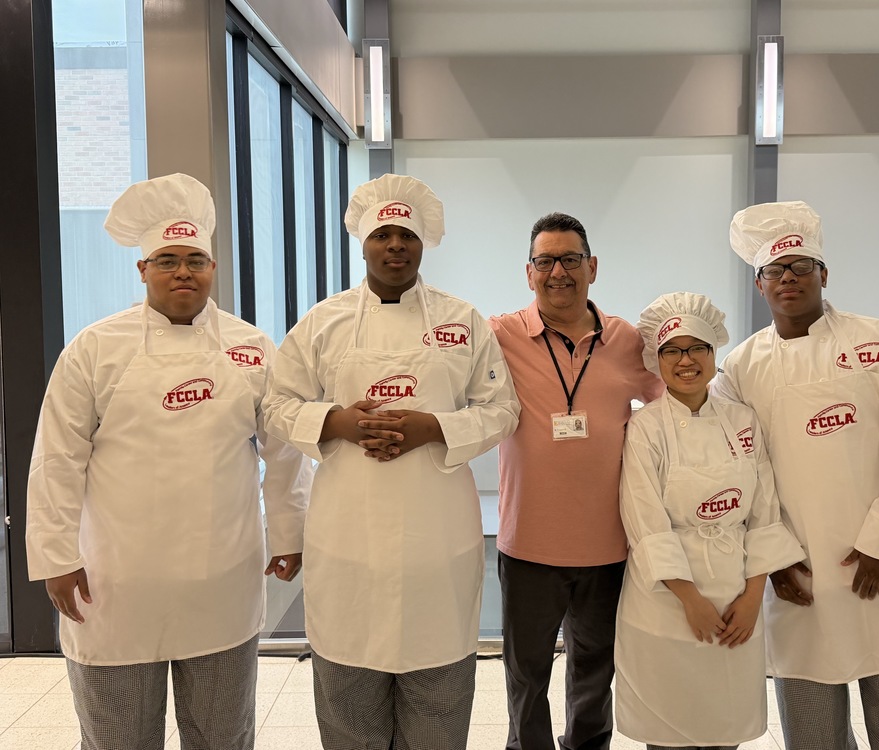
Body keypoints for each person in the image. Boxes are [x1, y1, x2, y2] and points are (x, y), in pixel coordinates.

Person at [25, 173, 313, 750]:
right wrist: (55, 555)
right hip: (116, 580)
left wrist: (289, 533)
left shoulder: (251, 347)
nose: (183, 271)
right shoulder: (95, 349)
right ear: (142, 270)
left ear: (213, 267)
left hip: (222, 575)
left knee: (222, 735)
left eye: (196, 260)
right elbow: (56, 459)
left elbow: (282, 453)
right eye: (167, 260)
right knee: (117, 737)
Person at [262, 174, 520, 750]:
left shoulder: (463, 322)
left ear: (424, 242)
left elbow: (502, 410)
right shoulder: (323, 322)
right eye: (383, 234)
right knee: (350, 706)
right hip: (347, 540)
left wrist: (434, 429)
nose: (395, 245)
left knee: (439, 701)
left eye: (406, 233)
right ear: (363, 242)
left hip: (438, 545)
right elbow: (276, 407)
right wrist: (340, 423)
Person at [713, 201, 879, 750]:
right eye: (774, 270)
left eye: (800, 265)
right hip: (802, 571)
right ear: (758, 284)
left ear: (824, 273)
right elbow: (738, 469)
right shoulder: (741, 368)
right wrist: (773, 555)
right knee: (812, 729)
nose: (787, 278)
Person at [489, 212, 663, 750]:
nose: (557, 272)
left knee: (595, 670)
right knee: (526, 676)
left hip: (609, 544)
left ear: (592, 267)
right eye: (545, 261)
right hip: (528, 543)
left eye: (569, 260)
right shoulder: (499, 335)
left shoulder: (628, 340)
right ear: (528, 272)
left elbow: (675, 406)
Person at [616, 292, 804, 750]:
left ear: (713, 353)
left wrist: (753, 596)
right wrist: (691, 600)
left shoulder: (743, 421)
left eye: (696, 347)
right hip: (666, 600)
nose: (686, 360)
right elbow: (645, 522)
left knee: (725, 729)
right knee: (669, 731)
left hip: (736, 593)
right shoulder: (645, 428)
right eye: (672, 350)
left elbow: (764, 512)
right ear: (656, 360)